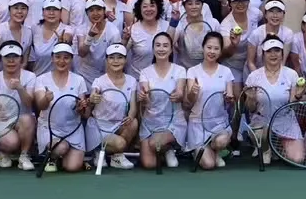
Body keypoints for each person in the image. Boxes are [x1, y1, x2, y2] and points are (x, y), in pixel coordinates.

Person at [34, 41, 93, 174]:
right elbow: (40, 106)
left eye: (66, 58)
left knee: (72, 167)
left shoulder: (79, 80)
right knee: (61, 147)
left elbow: (84, 113)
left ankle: (63, 159)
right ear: (52, 58)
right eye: (58, 57)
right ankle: (53, 157)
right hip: (49, 128)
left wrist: (81, 107)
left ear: (71, 60)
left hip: (73, 129)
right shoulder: (41, 79)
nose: (61, 61)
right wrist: (46, 99)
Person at [181, 30, 236, 170]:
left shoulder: (226, 72)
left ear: (220, 51)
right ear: (203, 48)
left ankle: (214, 149)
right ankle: (200, 151)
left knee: (222, 141)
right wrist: (193, 92)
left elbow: (230, 101)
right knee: (208, 165)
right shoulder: (192, 71)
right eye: (209, 47)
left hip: (219, 123)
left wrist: (229, 99)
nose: (212, 51)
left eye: (216, 48)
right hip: (198, 124)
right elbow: (189, 102)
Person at [244, 37, 304, 164]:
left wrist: (298, 96)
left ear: (282, 53)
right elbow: (251, 109)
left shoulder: (292, 74)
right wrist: (251, 98)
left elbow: (293, 106)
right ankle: (265, 149)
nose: (273, 54)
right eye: (269, 51)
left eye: (277, 50)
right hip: (262, 121)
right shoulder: (253, 76)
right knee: (261, 132)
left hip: (285, 121)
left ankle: (279, 146)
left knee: (297, 159)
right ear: (263, 54)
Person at [0, 41, 37, 171]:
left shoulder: (30, 77)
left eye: (15, 57)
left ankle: (24, 156)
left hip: (22, 121)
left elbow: (29, 103)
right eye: (7, 57)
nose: (11, 61)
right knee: (12, 142)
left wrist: (19, 88)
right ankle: (4, 152)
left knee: (28, 119)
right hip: (2, 123)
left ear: (21, 59)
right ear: (1, 59)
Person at [89, 40, 141, 170]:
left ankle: (116, 157)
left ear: (125, 60)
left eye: (120, 57)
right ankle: (98, 150)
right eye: (111, 58)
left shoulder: (131, 81)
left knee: (134, 122)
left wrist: (130, 116)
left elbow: (133, 107)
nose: (116, 61)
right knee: (121, 144)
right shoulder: (99, 81)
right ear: (107, 60)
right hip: (99, 127)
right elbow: (94, 93)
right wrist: (93, 97)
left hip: (118, 125)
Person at [137, 32, 185, 170]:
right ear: (153, 49)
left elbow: (180, 92)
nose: (161, 49)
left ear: (171, 49)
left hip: (173, 121)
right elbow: (146, 99)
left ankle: (167, 147)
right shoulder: (145, 72)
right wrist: (143, 97)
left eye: (165, 45)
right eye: (158, 45)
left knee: (154, 144)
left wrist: (178, 95)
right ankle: (164, 151)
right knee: (149, 164)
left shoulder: (179, 70)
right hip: (150, 122)